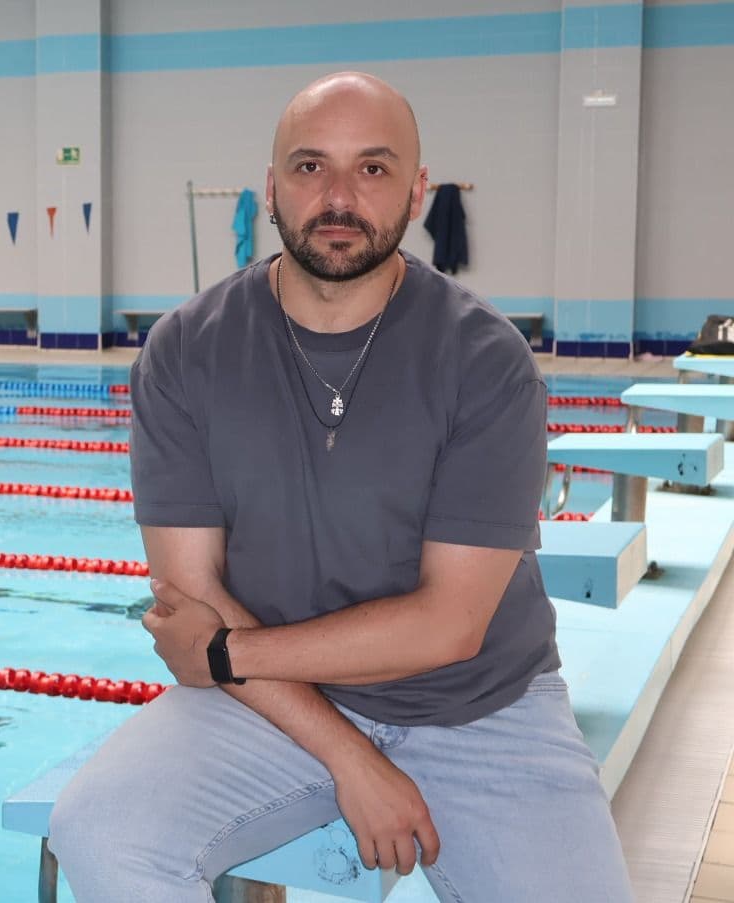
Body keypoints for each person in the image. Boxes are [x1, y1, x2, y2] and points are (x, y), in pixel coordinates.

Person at [47, 72, 631, 902]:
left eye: (374, 168)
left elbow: (450, 624)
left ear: (418, 190)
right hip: (266, 707)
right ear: (272, 185)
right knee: (99, 830)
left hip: (480, 707)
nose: (339, 196)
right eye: (311, 166)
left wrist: (227, 652)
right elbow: (191, 592)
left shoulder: (485, 359)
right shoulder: (185, 351)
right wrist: (350, 752)